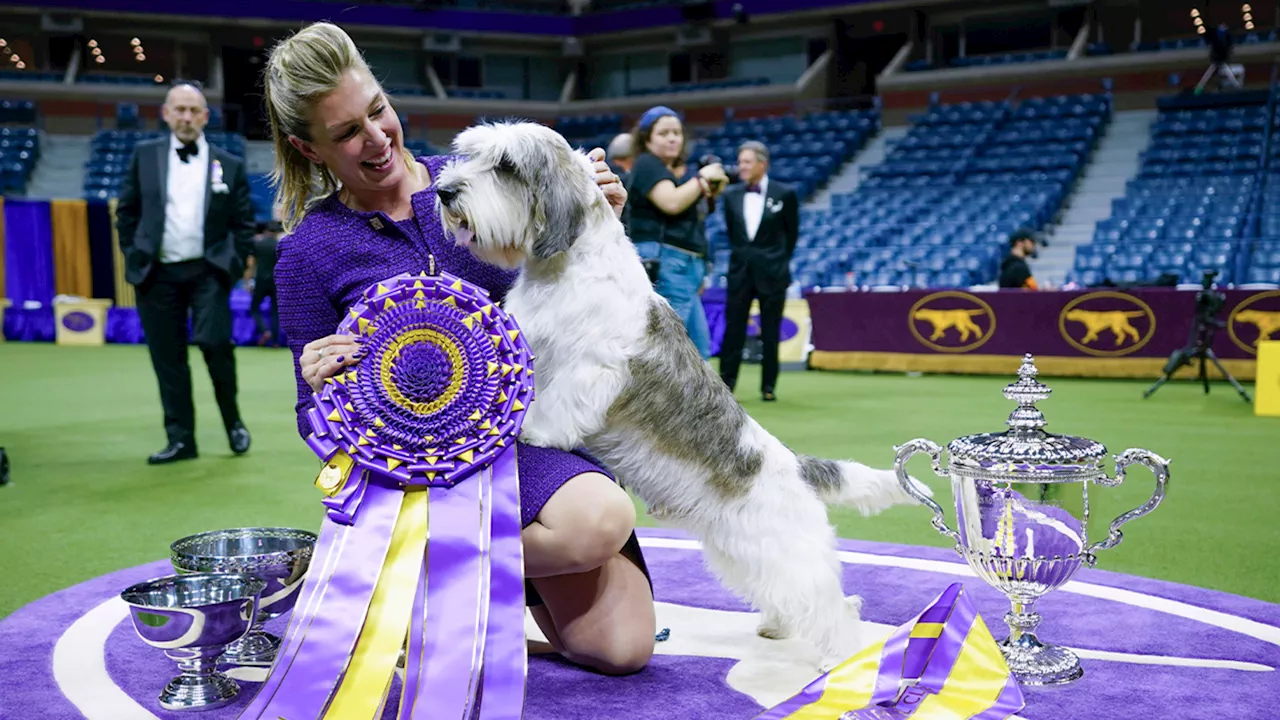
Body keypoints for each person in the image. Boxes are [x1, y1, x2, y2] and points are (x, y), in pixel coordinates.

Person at [263, 22, 654, 676]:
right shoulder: (306, 253)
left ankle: (419, 579)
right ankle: (418, 563)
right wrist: (325, 392)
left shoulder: (483, 174)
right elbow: (312, 415)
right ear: (309, 148)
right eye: (348, 133)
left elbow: (583, 292)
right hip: (423, 474)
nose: (378, 137)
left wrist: (600, 223)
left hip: (532, 439)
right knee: (599, 521)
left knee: (620, 650)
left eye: (378, 110)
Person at [116, 81, 255, 464]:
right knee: (168, 357)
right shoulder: (144, 156)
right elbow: (126, 212)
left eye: (194, 110)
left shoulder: (230, 163)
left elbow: (244, 225)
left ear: (206, 117)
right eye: (179, 109)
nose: (186, 117)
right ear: (166, 113)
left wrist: (229, 264)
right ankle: (181, 440)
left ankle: (234, 424)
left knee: (216, 346)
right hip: (155, 274)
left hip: (208, 271)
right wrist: (133, 252)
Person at [624, 105, 728, 358]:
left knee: (699, 348)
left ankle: (695, 399)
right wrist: (702, 179)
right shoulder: (647, 164)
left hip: (686, 266)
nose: (672, 138)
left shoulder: (671, 172)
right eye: (664, 133)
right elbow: (671, 202)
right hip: (667, 262)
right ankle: (653, 398)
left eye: (677, 133)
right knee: (669, 348)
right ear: (647, 138)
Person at [718, 140, 798, 402]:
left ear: (762, 164)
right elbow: (733, 234)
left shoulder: (784, 193)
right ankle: (725, 386)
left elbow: (791, 235)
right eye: (740, 162)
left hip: (773, 273)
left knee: (771, 331)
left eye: (747, 162)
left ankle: (769, 386)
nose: (741, 167)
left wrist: (777, 263)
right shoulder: (730, 195)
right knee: (733, 331)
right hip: (740, 272)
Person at [249, 220, 282, 346]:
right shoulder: (279, 245)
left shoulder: (258, 244)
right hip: (275, 281)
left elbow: (251, 262)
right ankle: (275, 341)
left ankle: (264, 330)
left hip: (260, 279)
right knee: (275, 312)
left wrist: (248, 281)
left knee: (254, 308)